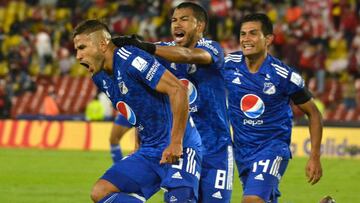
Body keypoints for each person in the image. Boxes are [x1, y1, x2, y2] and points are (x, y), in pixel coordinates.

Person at [113, 2, 233, 202]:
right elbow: (147, 102)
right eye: (174, 20)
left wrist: (147, 47)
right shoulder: (162, 53)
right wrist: (139, 140)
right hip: (182, 147)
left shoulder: (211, 48)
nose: (177, 24)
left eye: (184, 19)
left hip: (215, 148)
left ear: (200, 25)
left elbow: (188, 55)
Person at [73, 19, 202, 203]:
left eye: (82, 47)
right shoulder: (100, 77)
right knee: (101, 192)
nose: (78, 56)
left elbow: (178, 90)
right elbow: (137, 108)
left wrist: (176, 143)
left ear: (103, 44)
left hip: (180, 145)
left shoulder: (130, 58)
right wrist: (138, 142)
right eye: (77, 50)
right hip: (150, 150)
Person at [223, 13, 323, 203]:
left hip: (272, 148)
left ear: (268, 39)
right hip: (242, 151)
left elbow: (314, 113)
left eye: (253, 33)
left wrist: (315, 156)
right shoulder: (229, 65)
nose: (246, 39)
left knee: (252, 200)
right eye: (243, 34)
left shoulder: (283, 75)